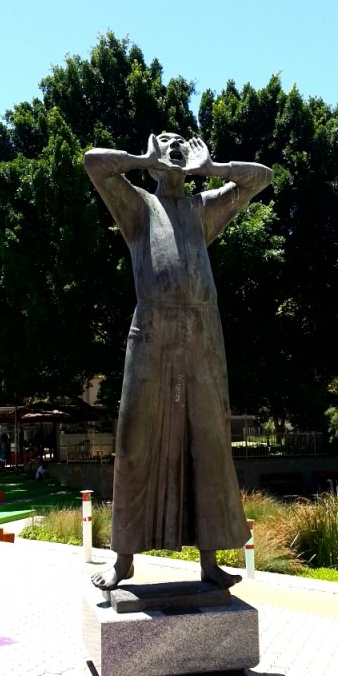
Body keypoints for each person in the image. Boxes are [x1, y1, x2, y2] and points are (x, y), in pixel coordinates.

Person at [84, 132, 272, 590]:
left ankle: (209, 563)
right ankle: (123, 560)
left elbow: (261, 179)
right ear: (152, 160)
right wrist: (137, 158)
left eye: (179, 144)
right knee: (135, 442)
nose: (173, 147)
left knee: (207, 443)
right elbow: (93, 163)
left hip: (202, 335)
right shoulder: (138, 207)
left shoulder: (201, 209)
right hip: (150, 331)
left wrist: (213, 170)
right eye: (163, 144)